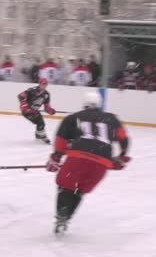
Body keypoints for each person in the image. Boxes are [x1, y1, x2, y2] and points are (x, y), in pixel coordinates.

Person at [46, 91, 130, 234]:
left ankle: (62, 216)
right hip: (102, 162)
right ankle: (66, 218)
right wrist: (121, 157)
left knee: (66, 186)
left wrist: (56, 157)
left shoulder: (73, 118)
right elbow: (124, 139)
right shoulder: (112, 119)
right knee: (80, 190)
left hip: (78, 158)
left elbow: (61, 140)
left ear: (84, 104)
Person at [17, 78, 56, 144]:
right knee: (40, 122)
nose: (44, 86)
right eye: (42, 84)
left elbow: (46, 107)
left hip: (34, 111)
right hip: (27, 111)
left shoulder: (46, 94)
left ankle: (39, 135)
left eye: (45, 84)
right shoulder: (32, 90)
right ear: (39, 84)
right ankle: (41, 135)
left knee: (40, 122)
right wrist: (25, 106)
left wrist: (51, 111)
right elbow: (20, 96)